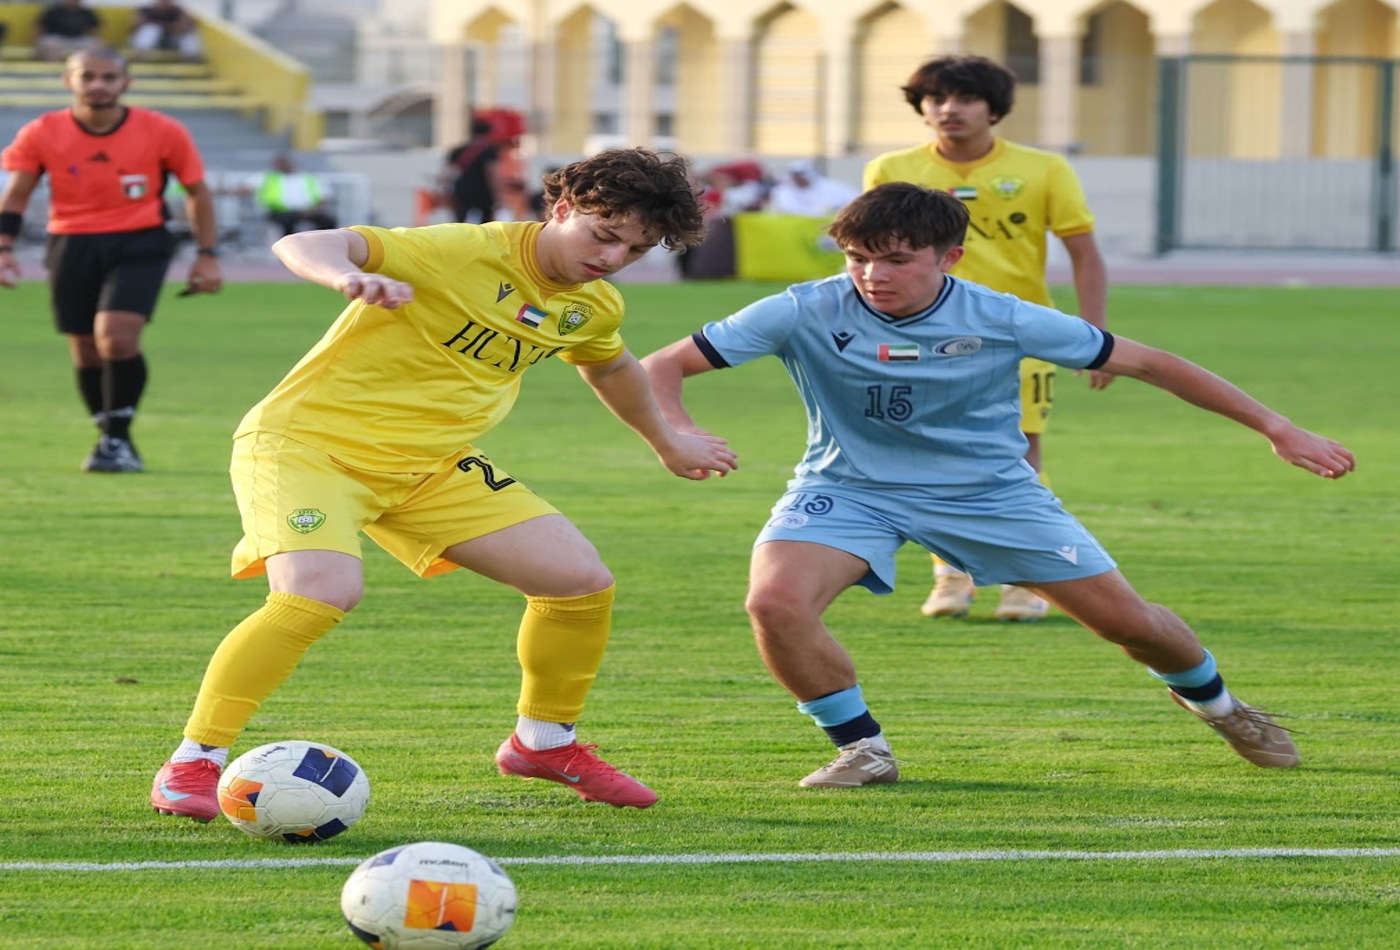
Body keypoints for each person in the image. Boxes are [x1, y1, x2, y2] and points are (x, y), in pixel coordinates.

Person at [641, 182, 1354, 788]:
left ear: (949, 257)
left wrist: (1277, 426)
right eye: (858, 258)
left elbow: (1154, 364)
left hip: (990, 494)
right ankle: (862, 748)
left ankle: (1222, 706)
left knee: (1130, 626)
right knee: (774, 602)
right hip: (849, 487)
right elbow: (660, 366)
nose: (870, 276)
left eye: (894, 261)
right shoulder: (803, 308)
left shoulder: (1000, 316)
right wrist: (673, 433)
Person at [148, 148, 737, 821]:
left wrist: (666, 440)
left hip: (429, 464)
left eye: (634, 250)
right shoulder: (462, 249)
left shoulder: (591, 305)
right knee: (321, 592)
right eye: (604, 235)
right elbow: (303, 240)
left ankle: (543, 742)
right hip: (308, 445)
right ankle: (194, 761)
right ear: (564, 208)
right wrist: (346, 277)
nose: (611, 258)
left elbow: (611, 366)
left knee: (578, 582)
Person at [865, 54, 1111, 623]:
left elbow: (1085, 255)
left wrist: (1094, 338)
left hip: (1018, 338)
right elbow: (870, 260)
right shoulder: (891, 169)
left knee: (1021, 452)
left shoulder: (1043, 169)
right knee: (928, 451)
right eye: (936, 99)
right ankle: (950, 576)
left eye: (965, 98)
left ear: (993, 107)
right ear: (921, 108)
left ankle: (1028, 582)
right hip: (917, 339)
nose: (949, 109)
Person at [0, 48, 223, 473]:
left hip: (140, 240)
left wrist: (207, 256)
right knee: (85, 348)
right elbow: (17, 194)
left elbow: (198, 193)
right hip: (70, 242)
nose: (98, 84)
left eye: (108, 76)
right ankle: (110, 438)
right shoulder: (42, 131)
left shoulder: (161, 130)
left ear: (126, 82)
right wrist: (4, 247)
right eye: (88, 76)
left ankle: (117, 439)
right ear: (69, 82)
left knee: (116, 337)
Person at [255, 153, 337, 237]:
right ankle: (290, 245)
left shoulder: (308, 177)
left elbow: (323, 197)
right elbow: (247, 187)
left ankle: (322, 243)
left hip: (309, 211)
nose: (282, 165)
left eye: (284, 162)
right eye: (279, 163)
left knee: (328, 222)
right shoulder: (266, 177)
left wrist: (312, 210)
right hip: (279, 211)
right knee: (287, 222)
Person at [441, 118, 502, 224]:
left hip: (461, 190)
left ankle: (458, 240)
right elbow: (492, 173)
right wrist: (497, 195)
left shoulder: (458, 150)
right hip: (483, 191)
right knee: (487, 224)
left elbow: (447, 171)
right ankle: (484, 241)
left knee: (459, 222)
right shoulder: (489, 150)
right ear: (487, 133)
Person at [766, 161, 859, 218]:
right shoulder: (783, 191)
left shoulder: (832, 187)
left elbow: (853, 200)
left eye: (801, 175)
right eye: (795, 176)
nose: (799, 179)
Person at [129, 0, 202, 60]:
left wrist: (178, 26)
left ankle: (192, 58)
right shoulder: (146, 10)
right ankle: (141, 56)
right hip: (148, 43)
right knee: (151, 30)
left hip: (170, 41)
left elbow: (185, 25)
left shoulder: (178, 11)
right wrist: (167, 26)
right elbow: (138, 22)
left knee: (189, 35)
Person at [34, 0, 103, 62]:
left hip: (79, 39)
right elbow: (40, 27)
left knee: (95, 45)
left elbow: (95, 30)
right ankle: (52, 70)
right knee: (49, 43)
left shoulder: (87, 13)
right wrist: (36, 43)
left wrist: (100, 42)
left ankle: (86, 70)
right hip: (58, 39)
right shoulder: (53, 11)